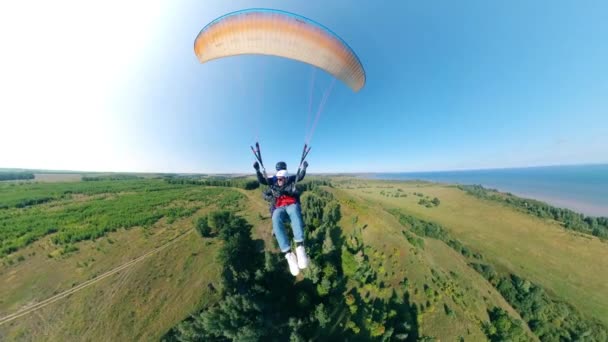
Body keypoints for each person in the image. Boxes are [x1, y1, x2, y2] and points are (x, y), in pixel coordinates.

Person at [254, 160, 309, 276]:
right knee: (275, 217)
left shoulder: (289, 179)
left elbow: (300, 176)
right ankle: (288, 254)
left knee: (294, 210)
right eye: (279, 178)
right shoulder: (273, 181)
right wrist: (258, 171)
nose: (280, 180)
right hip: (279, 208)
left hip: (291, 205)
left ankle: (299, 246)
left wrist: (304, 168)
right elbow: (262, 181)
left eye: (282, 178)